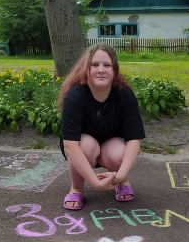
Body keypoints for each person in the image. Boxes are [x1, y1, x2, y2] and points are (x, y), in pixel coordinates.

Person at [57, 43, 145, 210]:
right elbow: (71, 146)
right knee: (86, 146)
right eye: (95, 64)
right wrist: (95, 183)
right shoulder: (74, 96)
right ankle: (77, 187)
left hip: (111, 144)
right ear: (86, 69)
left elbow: (134, 140)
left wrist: (121, 175)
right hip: (83, 146)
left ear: (115, 71)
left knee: (119, 153)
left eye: (107, 65)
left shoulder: (124, 95)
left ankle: (120, 181)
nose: (101, 69)